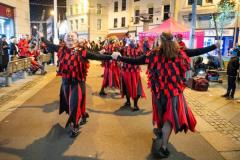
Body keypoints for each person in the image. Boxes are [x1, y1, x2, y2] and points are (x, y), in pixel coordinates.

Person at [112, 32, 218, 158]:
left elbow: (135, 61)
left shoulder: (153, 54)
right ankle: (163, 147)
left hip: (158, 92)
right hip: (173, 93)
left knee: (161, 114)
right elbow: (198, 51)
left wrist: (119, 57)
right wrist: (214, 46)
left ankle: (160, 132)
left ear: (160, 41)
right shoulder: (181, 52)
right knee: (169, 118)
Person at [39, 32, 112, 138]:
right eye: (67, 36)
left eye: (72, 36)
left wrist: (111, 56)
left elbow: (96, 56)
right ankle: (82, 114)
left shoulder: (82, 52)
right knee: (69, 104)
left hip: (77, 83)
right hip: (65, 83)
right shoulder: (60, 49)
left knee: (74, 104)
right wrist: (42, 37)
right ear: (64, 40)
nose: (69, 38)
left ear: (77, 39)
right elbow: (49, 44)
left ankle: (75, 125)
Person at [120, 39, 146, 111]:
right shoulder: (125, 49)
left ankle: (134, 104)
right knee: (130, 87)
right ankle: (131, 103)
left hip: (132, 71)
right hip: (128, 71)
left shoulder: (125, 49)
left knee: (134, 87)